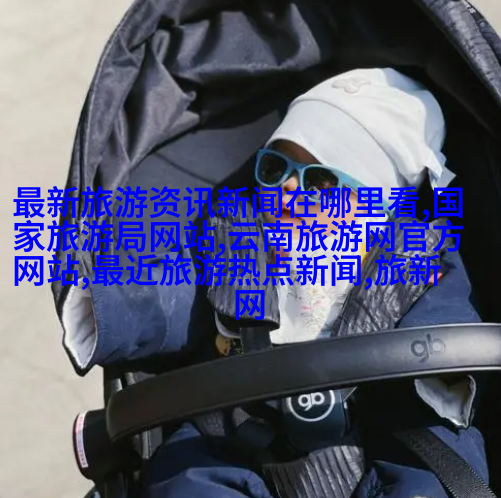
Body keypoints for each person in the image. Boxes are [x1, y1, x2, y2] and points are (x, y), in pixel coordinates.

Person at [138, 68, 488, 498]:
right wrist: (105, 304)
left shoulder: (414, 255)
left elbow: (448, 316)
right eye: (276, 166)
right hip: (245, 419)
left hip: (385, 420)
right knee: (184, 470)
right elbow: (166, 298)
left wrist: (441, 372)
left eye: (320, 180)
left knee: (434, 472)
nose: (288, 186)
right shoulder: (239, 241)